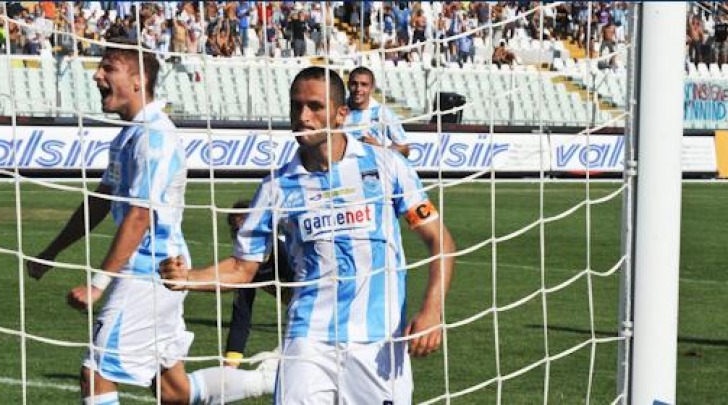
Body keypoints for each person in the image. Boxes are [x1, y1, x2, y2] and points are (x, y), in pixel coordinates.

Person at [160, 66, 456, 404]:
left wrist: (432, 310)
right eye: (296, 106)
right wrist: (188, 278)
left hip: (378, 341)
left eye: (314, 106)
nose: (303, 116)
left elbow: (440, 240)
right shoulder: (277, 187)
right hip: (308, 339)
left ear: (341, 114)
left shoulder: (386, 166)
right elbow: (243, 268)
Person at [25, 38, 274, 405]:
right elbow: (99, 201)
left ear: (139, 79)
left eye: (108, 67)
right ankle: (269, 379)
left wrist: (98, 284)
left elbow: (140, 215)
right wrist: (51, 252)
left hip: (148, 270)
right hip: (162, 267)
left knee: (96, 374)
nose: (97, 76)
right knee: (172, 390)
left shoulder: (154, 136)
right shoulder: (130, 135)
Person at [223, 199, 294, 368]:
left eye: (247, 229)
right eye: (237, 230)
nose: (243, 236)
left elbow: (309, 297)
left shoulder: (285, 254)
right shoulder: (245, 266)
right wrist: (230, 365)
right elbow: (241, 316)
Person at [345, 66, 410, 157]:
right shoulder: (338, 110)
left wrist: (379, 147)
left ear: (372, 88)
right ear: (348, 85)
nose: (358, 89)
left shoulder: (383, 113)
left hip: (373, 169)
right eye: (354, 84)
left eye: (364, 84)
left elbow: (405, 150)